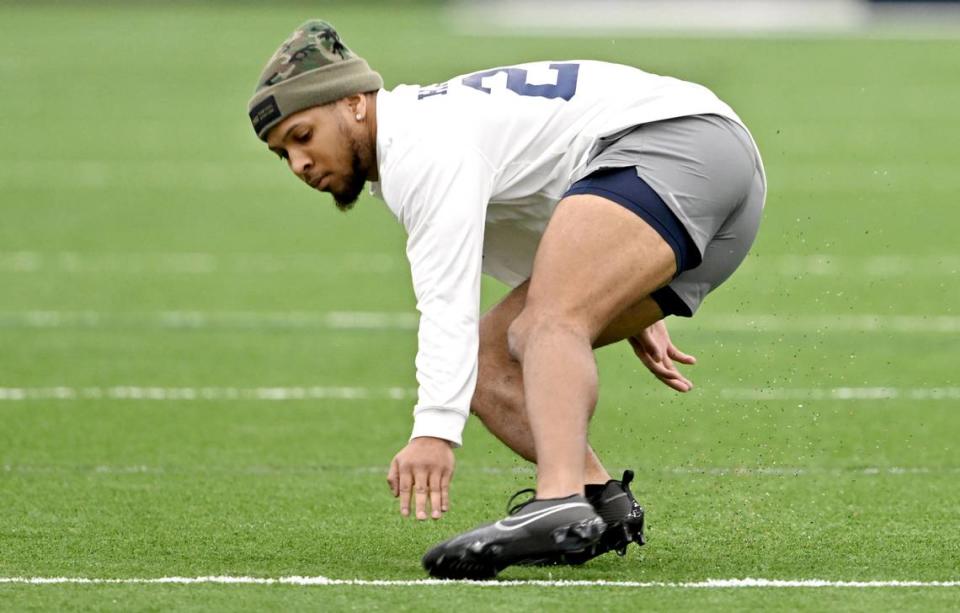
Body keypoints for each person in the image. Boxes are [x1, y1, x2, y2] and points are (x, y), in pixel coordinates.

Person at [247, 20, 766, 580]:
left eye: (302, 136)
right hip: (706, 176)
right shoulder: (419, 139)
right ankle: (599, 504)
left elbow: (446, 299)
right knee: (487, 361)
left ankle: (558, 503)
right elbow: (536, 213)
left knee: (546, 322)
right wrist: (616, 277)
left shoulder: (418, 144)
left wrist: (434, 431)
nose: (299, 163)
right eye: (283, 155)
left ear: (352, 102)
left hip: (680, 145)